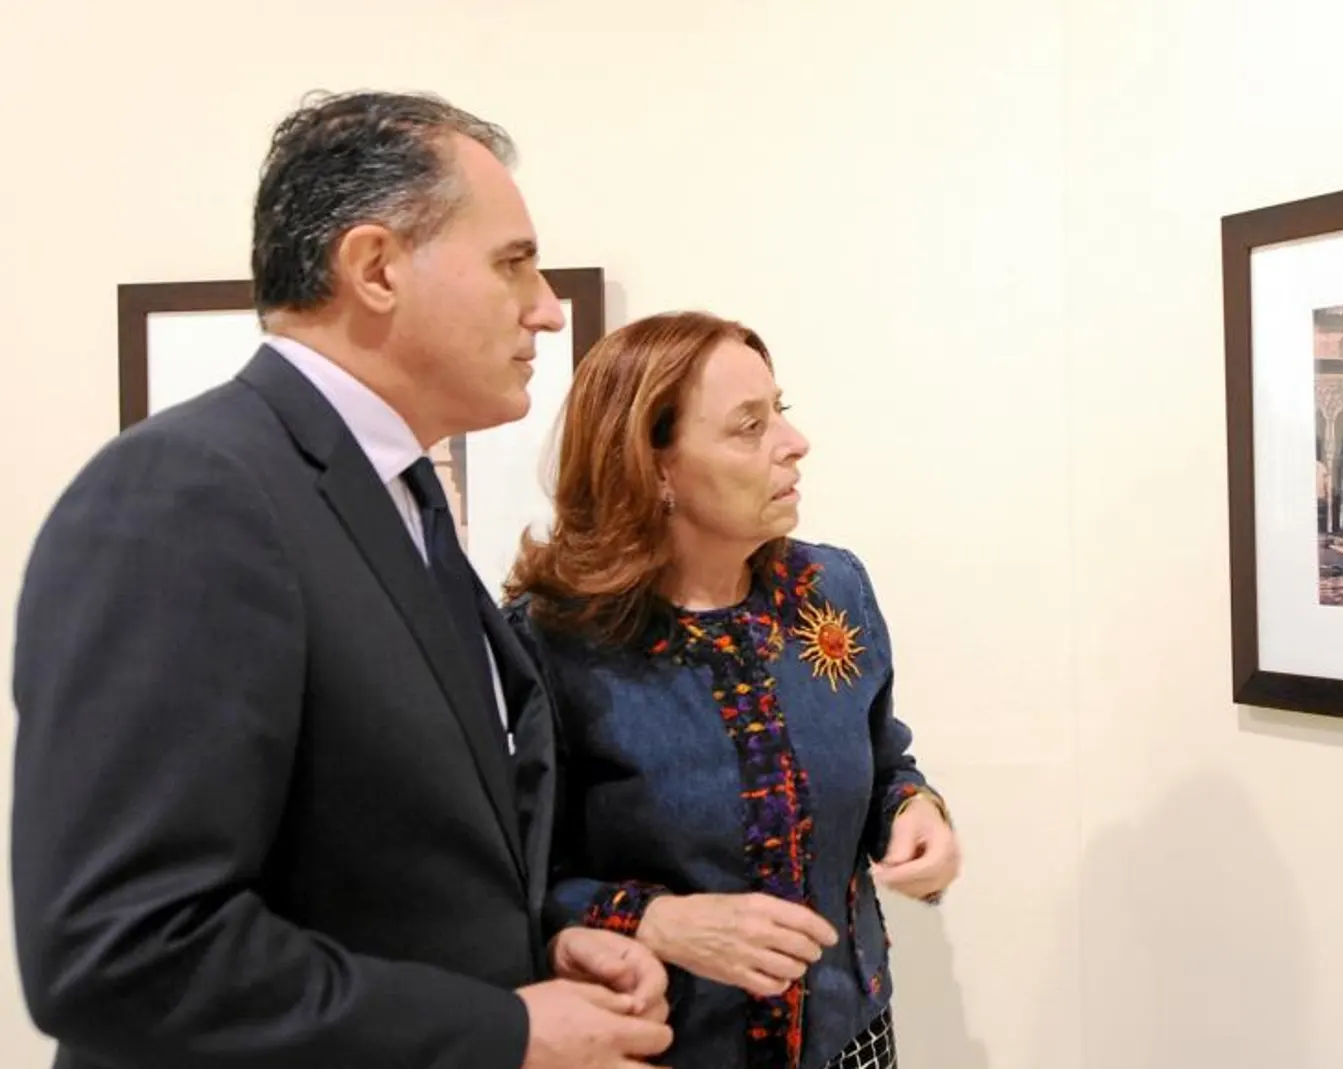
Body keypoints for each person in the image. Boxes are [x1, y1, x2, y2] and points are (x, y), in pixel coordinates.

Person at [11, 91, 674, 1069]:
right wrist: (503, 1028)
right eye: (512, 263)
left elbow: (377, 870)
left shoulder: (397, 502)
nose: (546, 307)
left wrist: (529, 956)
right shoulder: (188, 494)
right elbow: (121, 949)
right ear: (374, 268)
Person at [502, 311, 961, 1068]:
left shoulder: (832, 589)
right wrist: (655, 921)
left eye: (780, 410)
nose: (792, 442)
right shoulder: (550, 642)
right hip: (653, 1049)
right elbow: (512, 882)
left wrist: (916, 811)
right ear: (652, 465)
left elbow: (884, 765)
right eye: (749, 426)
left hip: (852, 1039)